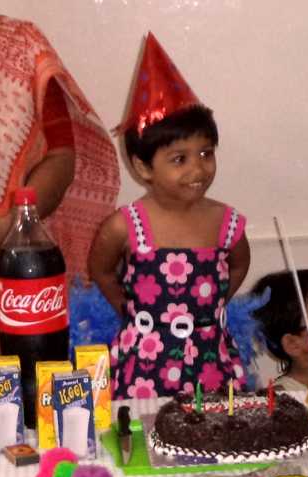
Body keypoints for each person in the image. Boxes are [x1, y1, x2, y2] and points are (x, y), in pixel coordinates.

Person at [89, 33, 250, 399]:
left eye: (206, 153)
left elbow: (239, 265)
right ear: (142, 166)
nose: (198, 169)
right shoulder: (124, 225)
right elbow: (100, 269)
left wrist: (213, 305)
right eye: (180, 159)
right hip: (145, 363)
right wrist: (129, 308)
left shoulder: (227, 223)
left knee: (214, 441)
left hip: (211, 363)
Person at [0, 3, 120, 353]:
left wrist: (11, 228)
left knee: (6, 399)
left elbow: (60, 156)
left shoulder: (22, 46)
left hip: (9, 285)